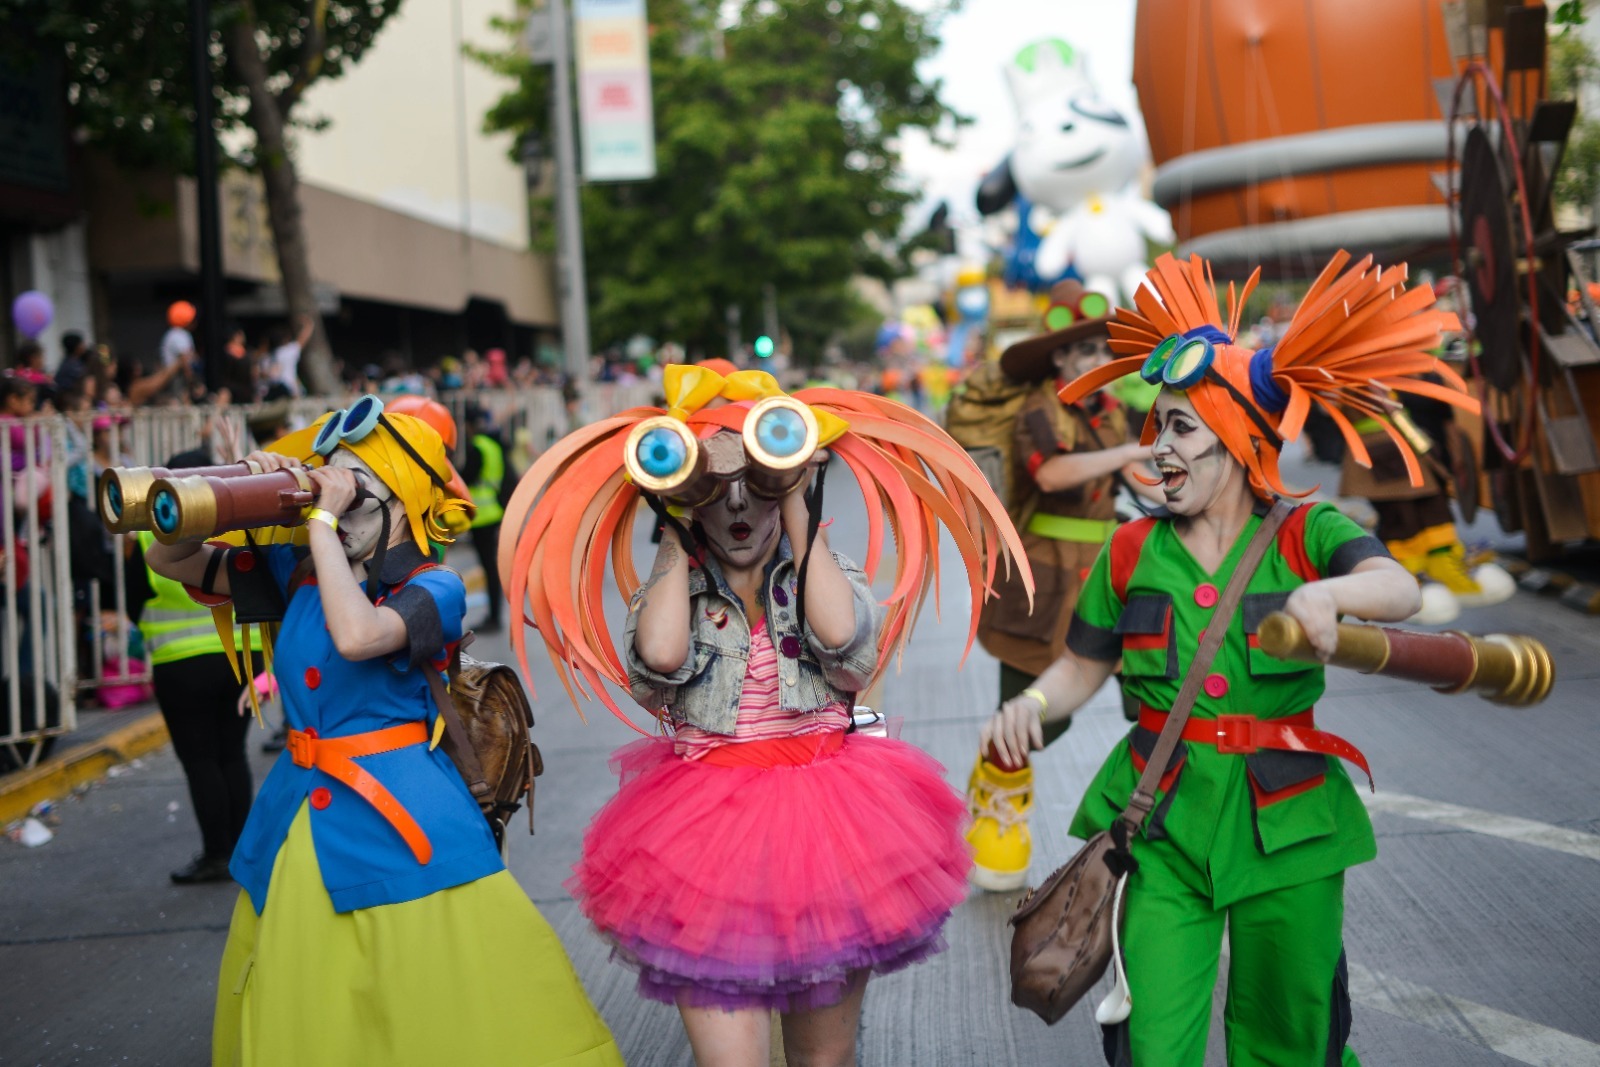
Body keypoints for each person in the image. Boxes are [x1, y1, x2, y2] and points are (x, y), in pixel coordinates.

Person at [982, 252, 1478, 1065]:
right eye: (1156, 426)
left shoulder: (1304, 530)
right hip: (1160, 823)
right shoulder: (1128, 550)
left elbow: (1398, 588)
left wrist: (1329, 596)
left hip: (1290, 822)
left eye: (1181, 426)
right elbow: (1082, 665)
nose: (1159, 446)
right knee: (1151, 1042)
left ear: (1243, 437)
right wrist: (1033, 706)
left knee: (1293, 1036)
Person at [509, 365, 1024, 1067]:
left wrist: (800, 507)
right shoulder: (678, 589)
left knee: (824, 1062)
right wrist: (672, 524)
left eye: (760, 483)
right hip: (701, 836)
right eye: (716, 491)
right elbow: (658, 660)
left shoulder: (820, 569)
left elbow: (842, 640)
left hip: (829, 828)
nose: (740, 507)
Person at [143, 398, 622, 1067]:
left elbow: (358, 633)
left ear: (399, 497)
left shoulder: (437, 585)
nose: (331, 493)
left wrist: (318, 523)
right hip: (299, 820)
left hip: (406, 822)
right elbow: (171, 558)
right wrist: (239, 491)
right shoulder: (300, 571)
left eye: (353, 483)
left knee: (439, 1005)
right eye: (326, 477)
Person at [965, 280, 1162, 891]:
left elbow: (1145, 479)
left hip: (1115, 567)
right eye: (1085, 354)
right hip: (1043, 579)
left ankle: (1160, 828)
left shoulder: (1113, 412)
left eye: (1104, 353)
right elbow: (1051, 473)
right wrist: (1130, 451)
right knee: (1030, 716)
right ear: (1059, 359)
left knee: (1157, 700)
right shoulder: (1039, 411)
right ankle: (997, 809)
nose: (1098, 363)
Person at [126, 450, 260, 883]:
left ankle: (218, 854)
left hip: (180, 663)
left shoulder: (155, 531)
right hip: (243, 654)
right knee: (232, 753)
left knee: (200, 759)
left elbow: (132, 597)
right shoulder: (244, 522)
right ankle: (242, 851)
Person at [461, 403, 508, 632]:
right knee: (491, 567)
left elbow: (466, 478)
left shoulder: (476, 447)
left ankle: (494, 618)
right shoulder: (493, 445)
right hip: (494, 511)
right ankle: (494, 615)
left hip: (481, 515)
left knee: (488, 567)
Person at [265, 314, 313, 398]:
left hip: (274, 389)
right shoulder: (289, 351)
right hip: (290, 389)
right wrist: (309, 324)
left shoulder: (270, 355)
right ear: (285, 338)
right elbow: (303, 338)